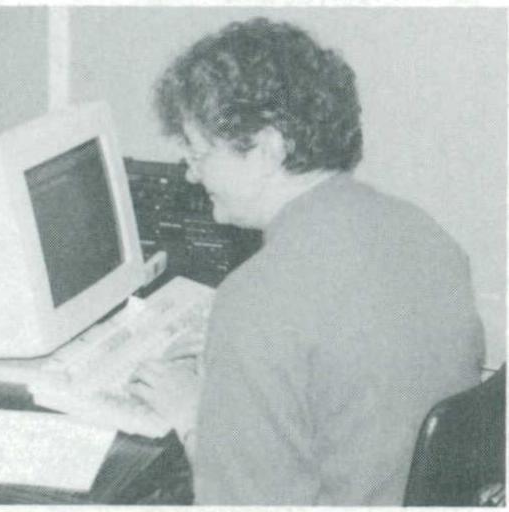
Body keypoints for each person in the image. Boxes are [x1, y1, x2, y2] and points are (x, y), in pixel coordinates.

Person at [127, 18, 485, 506]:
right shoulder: (422, 232)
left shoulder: (258, 300)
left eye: (199, 154)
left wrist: (194, 415)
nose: (191, 175)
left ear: (267, 150)